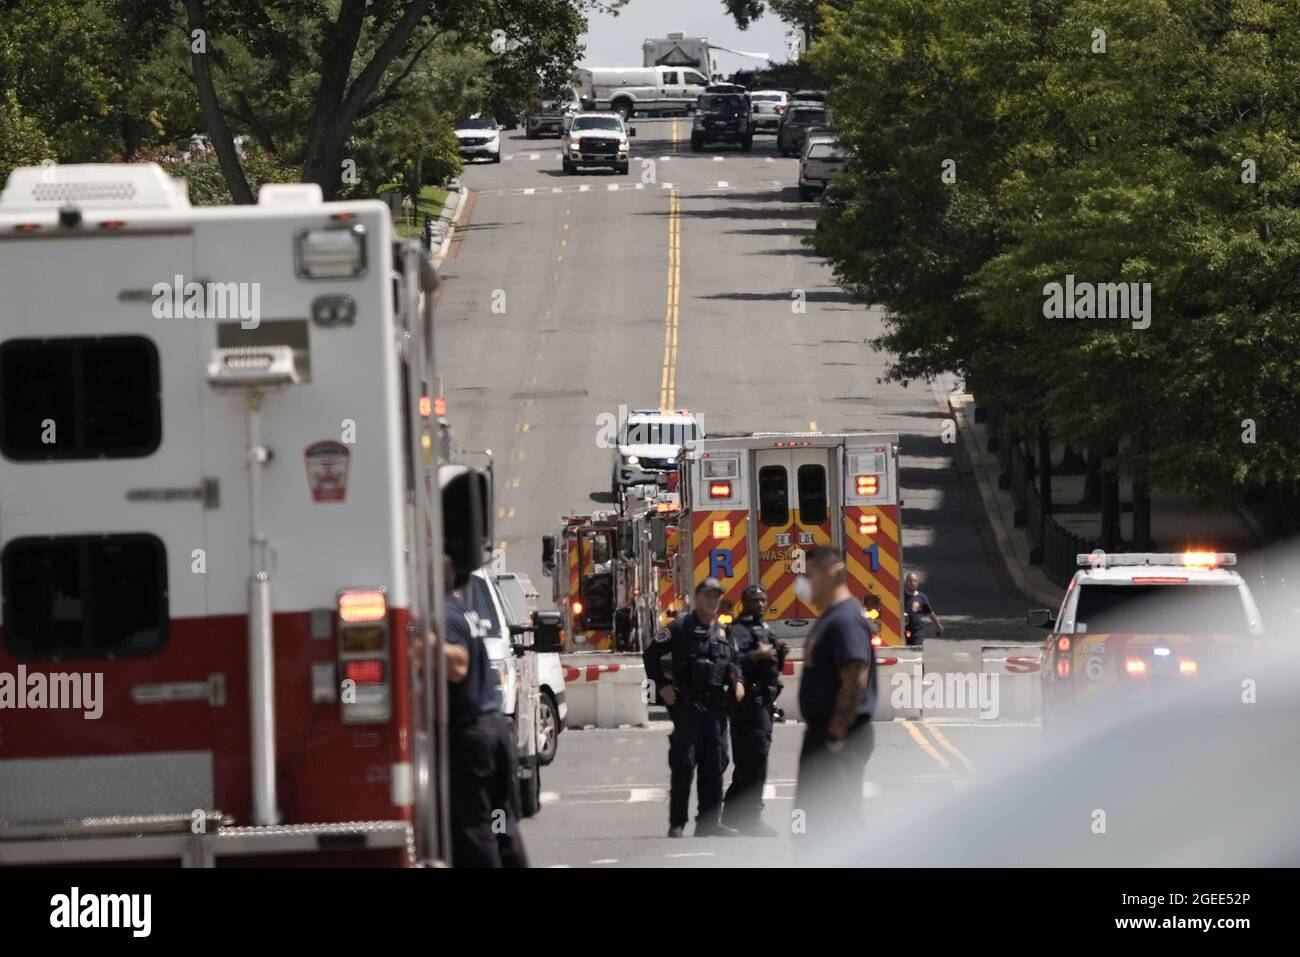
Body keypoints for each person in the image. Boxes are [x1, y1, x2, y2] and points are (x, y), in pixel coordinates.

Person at [643, 577, 746, 837]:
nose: (713, 601)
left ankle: (709, 823)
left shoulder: (724, 632)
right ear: (697, 597)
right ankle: (677, 822)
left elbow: (734, 663)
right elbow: (651, 654)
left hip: (716, 711)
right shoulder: (679, 628)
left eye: (717, 596)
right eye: (708, 596)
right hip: (688, 708)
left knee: (715, 764)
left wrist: (738, 683)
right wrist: (662, 686)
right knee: (684, 764)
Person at [442, 561, 529, 867]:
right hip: (495, 729)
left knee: (476, 828)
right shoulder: (463, 609)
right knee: (500, 820)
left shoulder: (443, 614)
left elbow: (458, 664)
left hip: (472, 736)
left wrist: (422, 645)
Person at [794, 545, 877, 861]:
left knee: (839, 821)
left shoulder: (844, 620)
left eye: (809, 575)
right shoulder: (833, 617)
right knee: (816, 823)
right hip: (827, 732)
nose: (803, 583)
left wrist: (836, 733)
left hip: (837, 735)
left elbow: (855, 674)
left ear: (831, 575)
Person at [721, 584, 787, 836]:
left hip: (765, 702)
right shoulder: (736, 631)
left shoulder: (765, 628)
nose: (759, 605)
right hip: (748, 702)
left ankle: (732, 814)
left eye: (763, 600)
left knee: (752, 761)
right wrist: (757, 657)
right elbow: (732, 663)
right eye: (754, 600)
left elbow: (773, 665)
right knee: (755, 759)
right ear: (744, 602)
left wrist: (779, 654)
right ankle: (751, 817)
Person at [903, 571, 944, 646]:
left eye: (915, 581)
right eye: (910, 581)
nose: (913, 583)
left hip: (917, 630)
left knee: (917, 649)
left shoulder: (922, 597)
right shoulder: (901, 596)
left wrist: (938, 624)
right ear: (906, 582)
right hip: (904, 630)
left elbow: (929, 613)